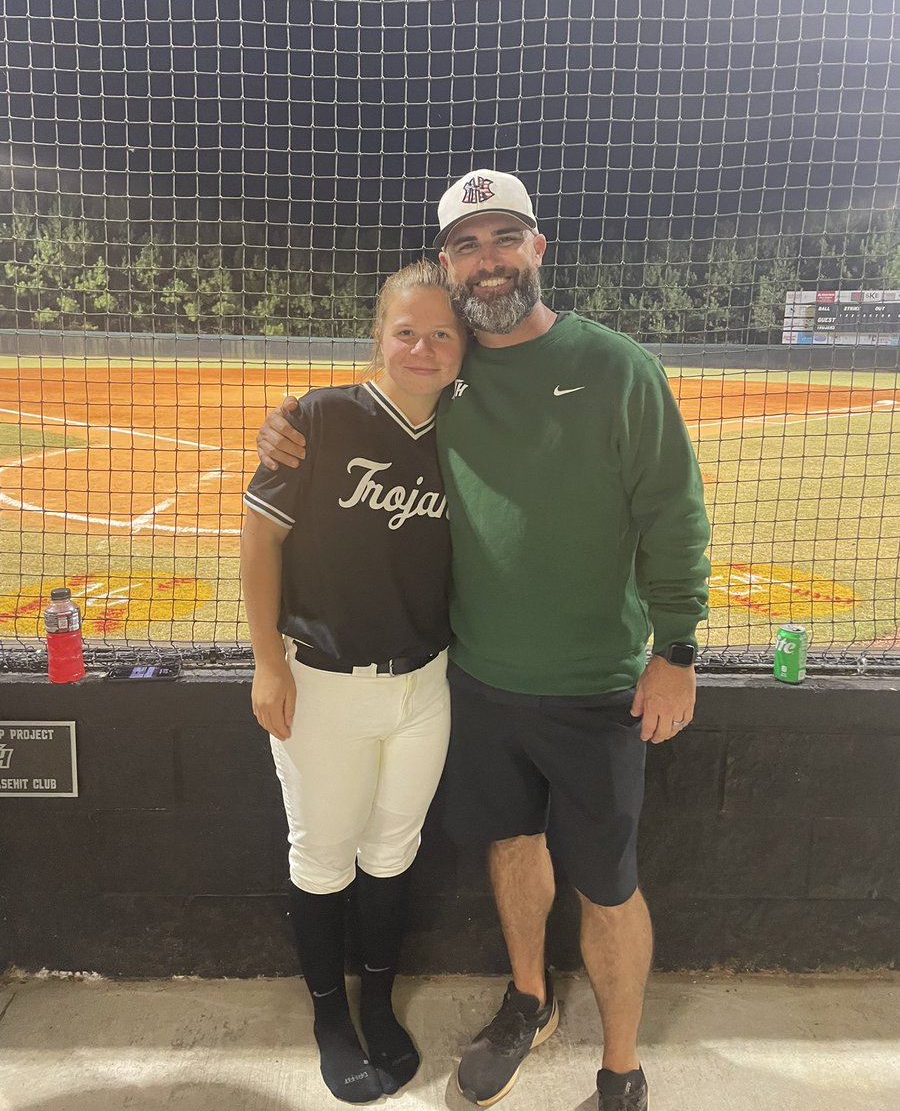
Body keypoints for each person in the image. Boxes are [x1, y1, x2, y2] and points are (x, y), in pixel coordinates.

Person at [256, 170, 711, 1111]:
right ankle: (529, 1002)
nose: (488, 258)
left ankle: (620, 1068)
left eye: (504, 237)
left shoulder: (618, 365)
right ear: (451, 268)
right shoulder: (449, 379)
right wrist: (286, 426)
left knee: (609, 883)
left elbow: (674, 510)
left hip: (598, 685)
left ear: (538, 247)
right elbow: (363, 422)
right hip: (482, 682)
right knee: (510, 846)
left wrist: (679, 648)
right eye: (467, 244)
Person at [241, 260, 466, 1104]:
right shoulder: (321, 417)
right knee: (324, 855)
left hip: (426, 686)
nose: (423, 346)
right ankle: (330, 1016)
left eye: (442, 333)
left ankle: (378, 1000)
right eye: (406, 330)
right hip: (322, 684)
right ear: (378, 338)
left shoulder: (468, 429)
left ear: (461, 348)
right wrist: (267, 662)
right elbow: (258, 541)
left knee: (392, 852)